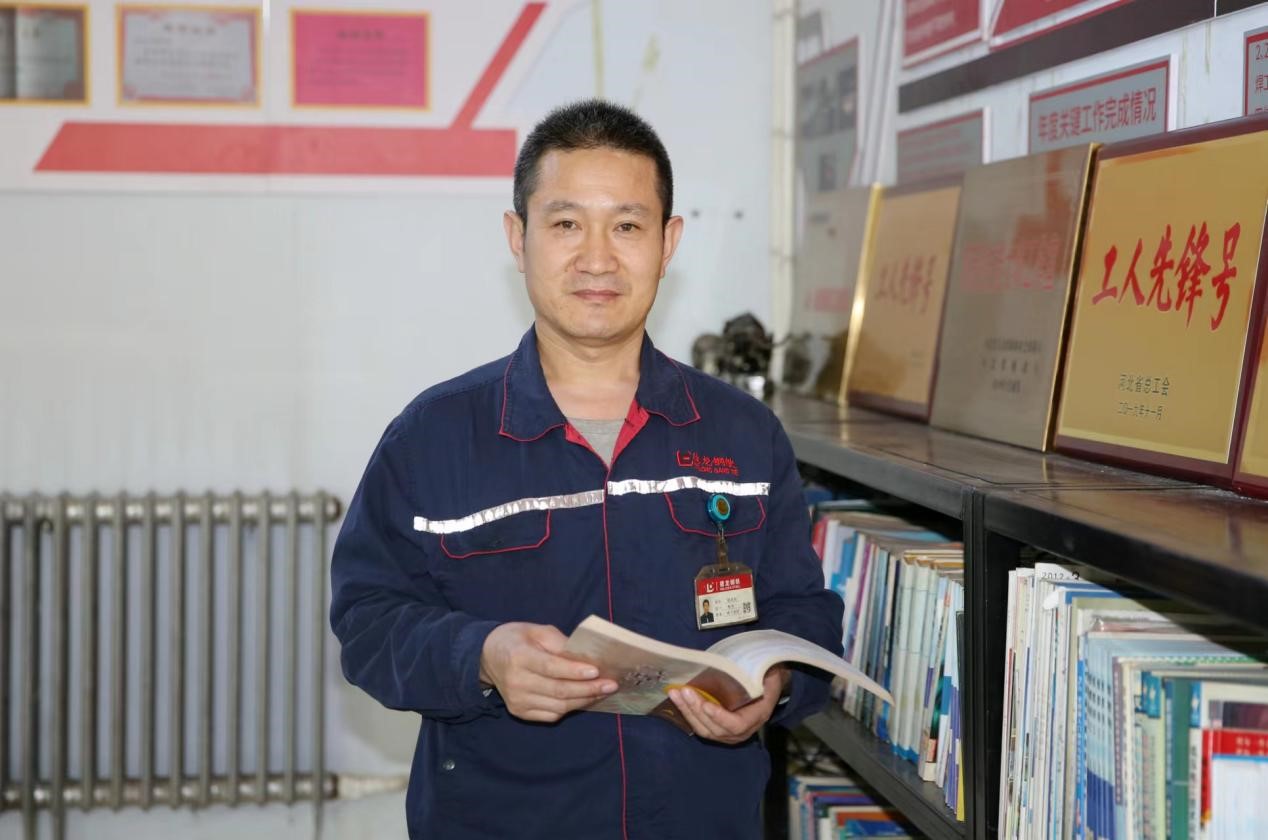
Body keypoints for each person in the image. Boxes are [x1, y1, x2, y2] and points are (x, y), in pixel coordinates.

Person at [330, 99, 844, 840]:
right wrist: (482, 657)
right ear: (519, 238)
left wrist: (777, 683)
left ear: (668, 242)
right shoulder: (433, 437)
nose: (597, 259)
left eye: (627, 226)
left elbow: (802, 609)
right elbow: (368, 622)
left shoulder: (744, 434)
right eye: (567, 223)